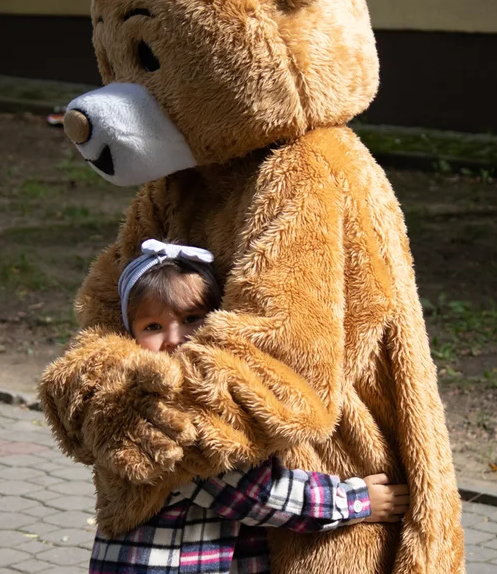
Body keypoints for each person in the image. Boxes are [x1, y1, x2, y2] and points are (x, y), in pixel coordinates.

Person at [87, 239, 410, 574]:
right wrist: (355, 502)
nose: (174, 338)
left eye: (191, 318)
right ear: (130, 334)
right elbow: (252, 494)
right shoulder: (159, 406)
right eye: (153, 327)